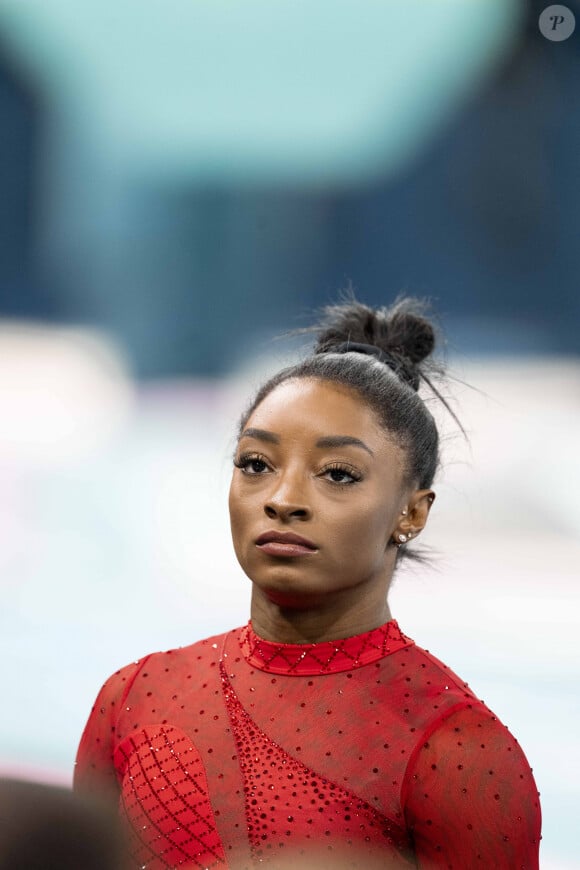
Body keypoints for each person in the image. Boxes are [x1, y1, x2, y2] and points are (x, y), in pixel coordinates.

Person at [74, 295, 541, 869]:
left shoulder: (457, 751)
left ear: (411, 514)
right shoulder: (133, 698)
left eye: (337, 474)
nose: (283, 500)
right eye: (255, 464)